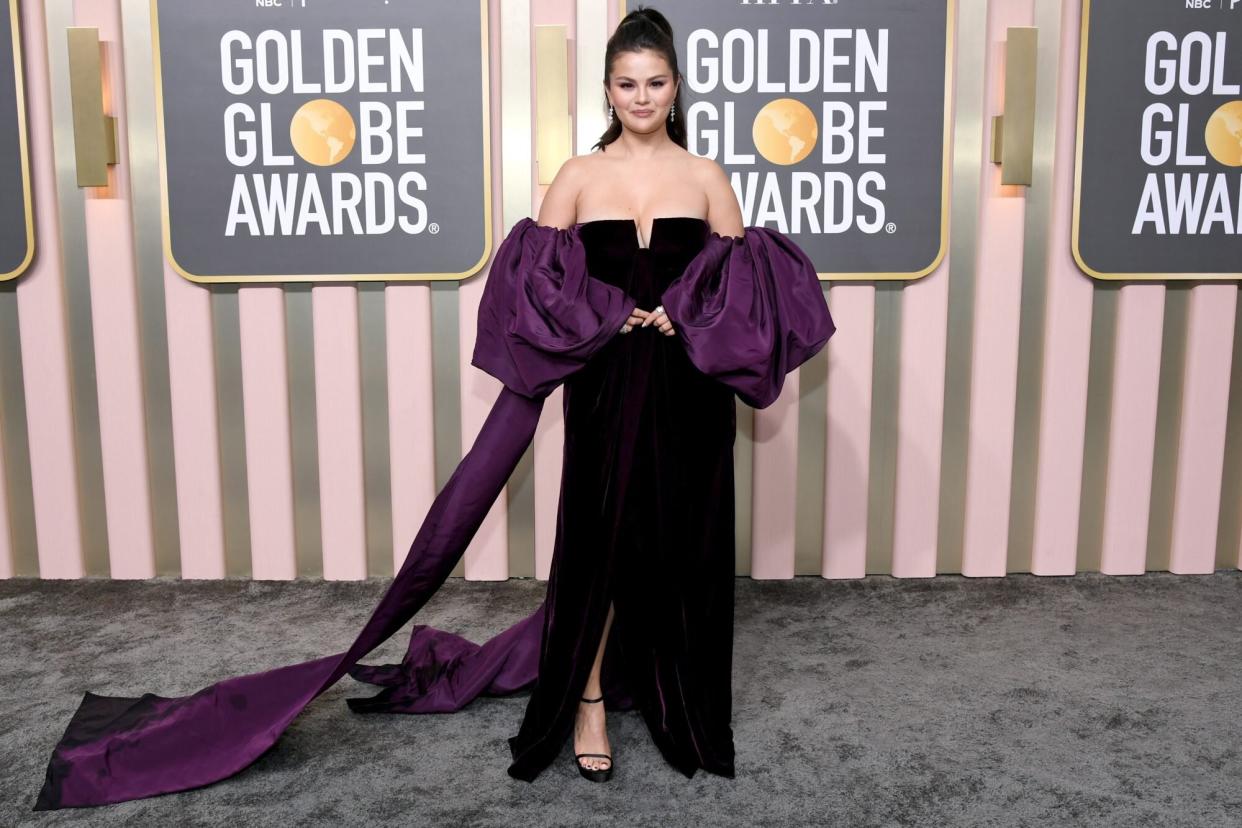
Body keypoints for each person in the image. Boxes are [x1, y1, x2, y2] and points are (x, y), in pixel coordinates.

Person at [33, 6, 834, 810]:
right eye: (627, 83)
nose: (641, 96)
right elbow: (532, 291)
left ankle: (681, 701)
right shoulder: (579, 176)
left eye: (655, 82)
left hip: (684, 393)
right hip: (607, 383)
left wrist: (680, 314)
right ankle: (587, 702)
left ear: (675, 86)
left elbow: (743, 291)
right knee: (603, 543)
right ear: (607, 88)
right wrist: (603, 312)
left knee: (678, 542)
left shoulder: (706, 177)